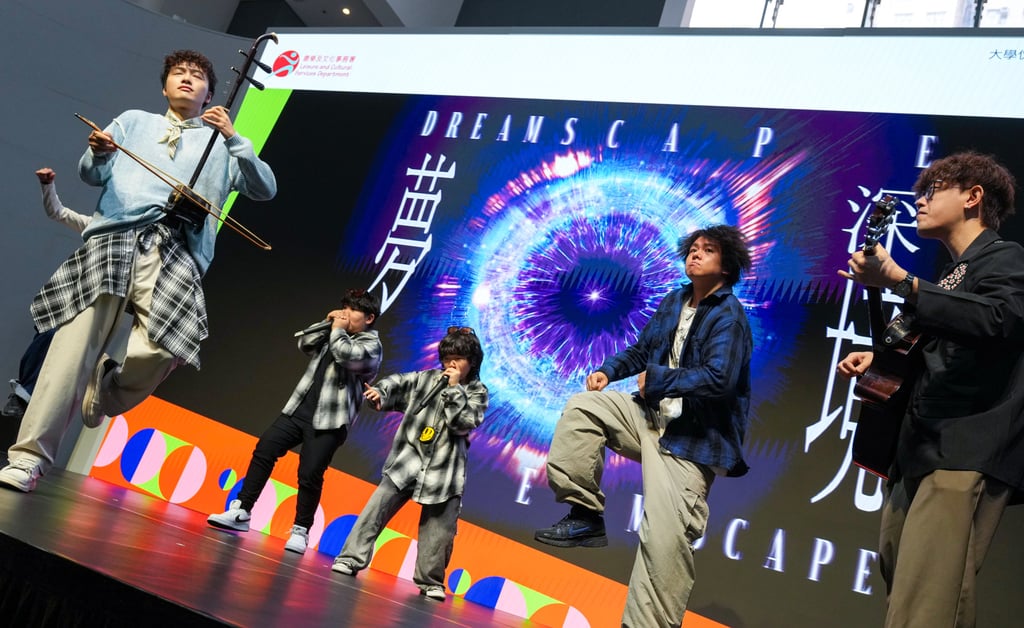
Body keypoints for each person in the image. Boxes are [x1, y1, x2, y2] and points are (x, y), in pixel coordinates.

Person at [0, 50, 277, 493]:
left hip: (174, 252)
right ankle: (29, 459)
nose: (187, 79)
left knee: (164, 349)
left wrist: (234, 138)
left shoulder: (224, 143)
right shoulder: (133, 120)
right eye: (178, 73)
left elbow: (264, 189)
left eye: (197, 76)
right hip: (114, 240)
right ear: (165, 85)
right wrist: (97, 153)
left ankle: (106, 390)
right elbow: (93, 175)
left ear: (210, 92)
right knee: (69, 352)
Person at [837, 151, 1024, 628]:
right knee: (906, 579)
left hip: (964, 446)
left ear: (973, 197)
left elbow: (999, 320)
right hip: (920, 445)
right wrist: (876, 358)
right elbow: (933, 342)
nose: (920, 201)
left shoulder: (1004, 257)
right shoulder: (951, 275)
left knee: (927, 604)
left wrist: (903, 281)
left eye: (933, 190)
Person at [534, 224, 753, 627]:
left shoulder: (730, 318)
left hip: (691, 442)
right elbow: (641, 350)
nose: (695, 254)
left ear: (727, 267)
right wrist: (608, 370)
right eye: (692, 248)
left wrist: (660, 379)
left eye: (708, 250)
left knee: (663, 547)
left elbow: (720, 379)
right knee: (585, 407)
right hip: (648, 418)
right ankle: (585, 514)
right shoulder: (675, 301)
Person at [207, 290, 383, 554]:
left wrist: (336, 329)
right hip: (299, 408)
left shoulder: (372, 345)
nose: (345, 313)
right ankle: (242, 510)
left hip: (330, 421)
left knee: (309, 474)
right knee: (265, 448)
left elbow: (345, 354)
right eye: (344, 307)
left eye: (353, 309)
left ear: (369, 318)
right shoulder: (334, 330)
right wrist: (326, 322)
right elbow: (305, 343)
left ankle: (301, 531)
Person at [331, 326, 488, 602]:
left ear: (472, 362)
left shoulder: (477, 392)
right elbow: (397, 384)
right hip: (408, 459)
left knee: (438, 531)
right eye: (447, 356)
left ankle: (430, 582)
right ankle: (350, 558)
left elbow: (463, 423)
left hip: (445, 472)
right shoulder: (425, 379)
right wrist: (380, 393)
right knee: (375, 510)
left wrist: (453, 390)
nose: (451, 363)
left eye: (459, 358)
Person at [3, 169, 92, 421]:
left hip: (94, 308)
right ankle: (23, 395)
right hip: (65, 298)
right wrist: (47, 185)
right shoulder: (99, 227)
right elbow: (58, 211)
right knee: (46, 336)